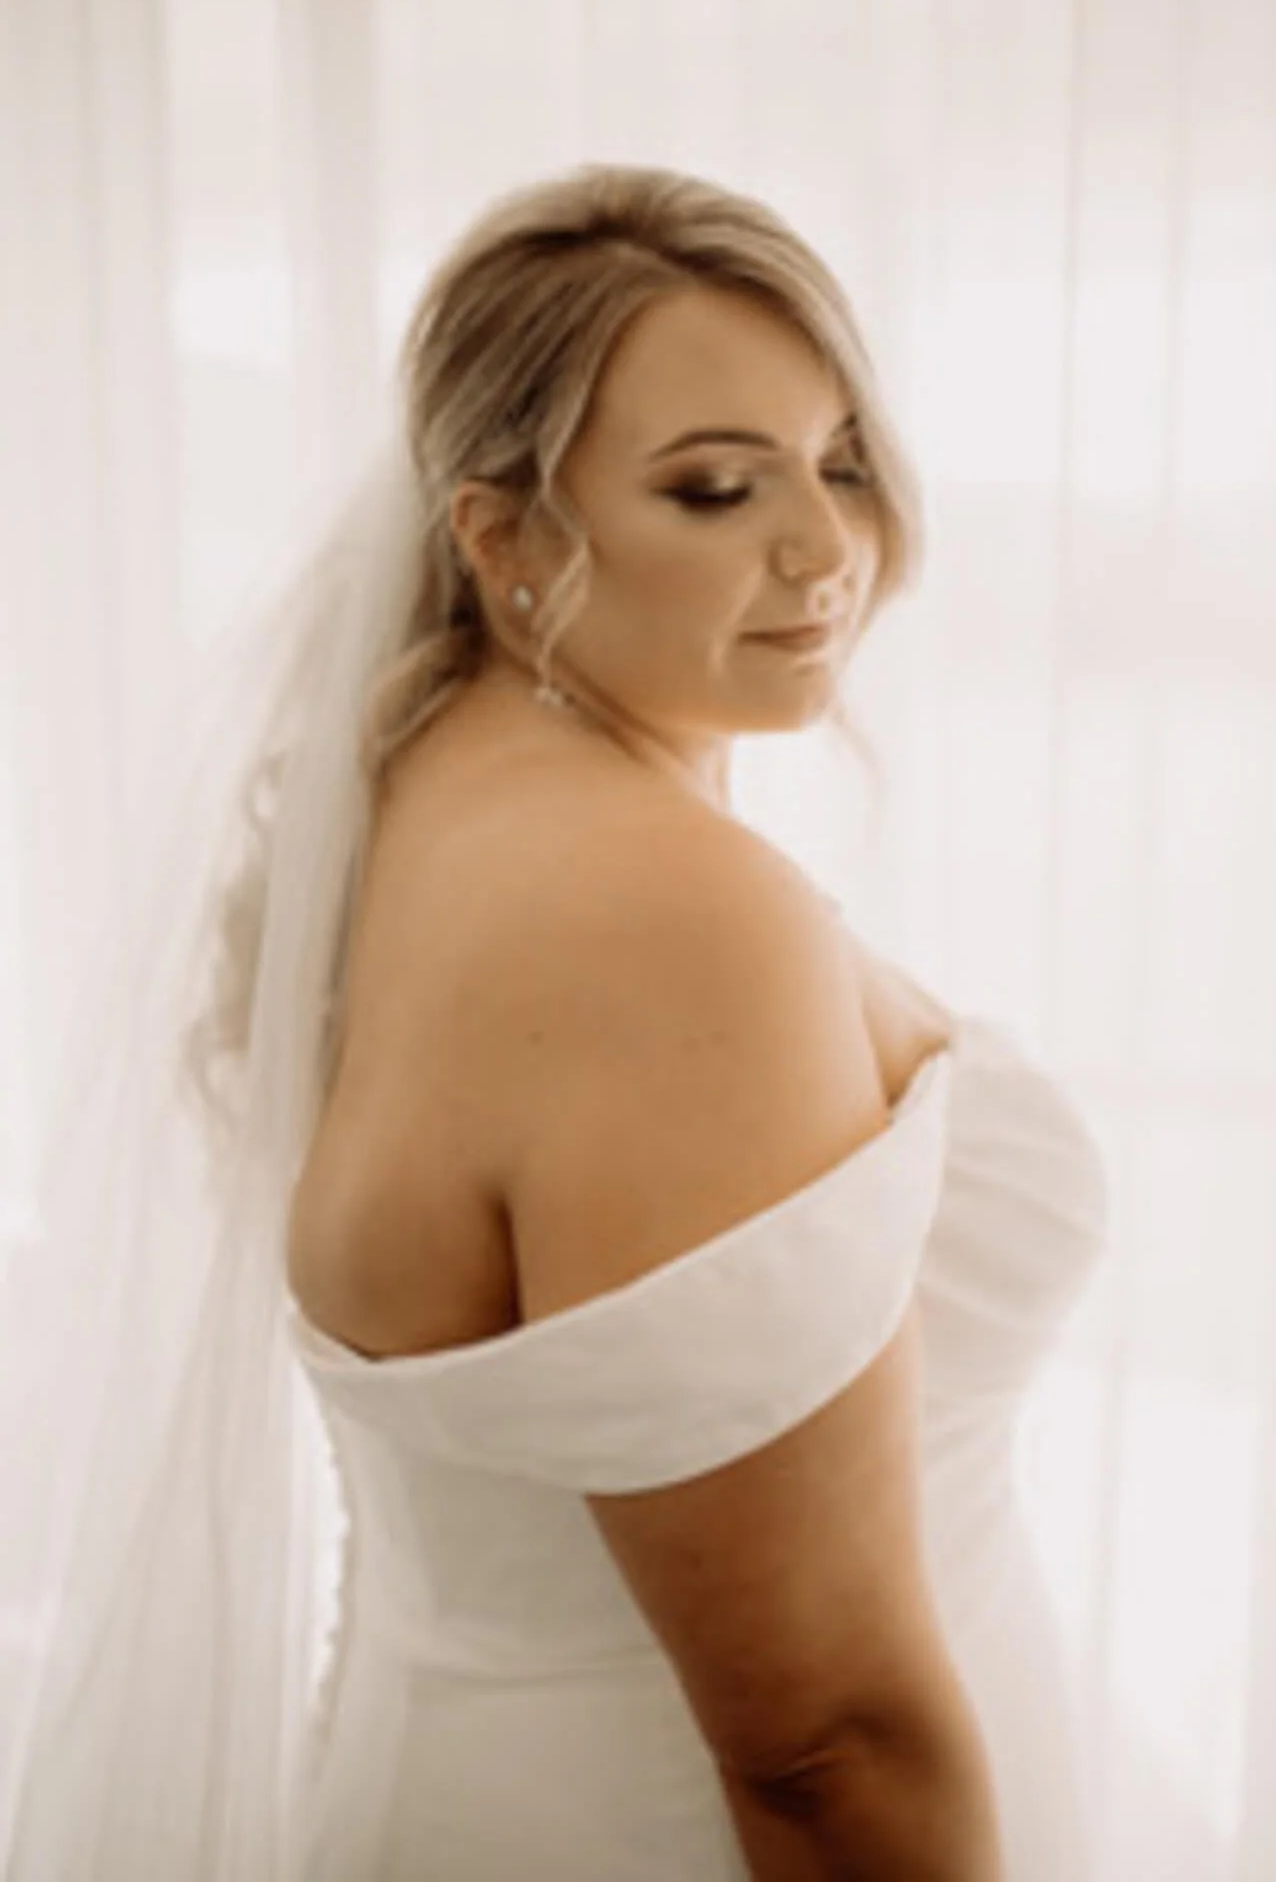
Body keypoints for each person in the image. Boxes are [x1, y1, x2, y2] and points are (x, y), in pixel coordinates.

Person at [0, 162, 1108, 1880]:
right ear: (502, 538)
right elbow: (823, 1744)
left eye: (837, 463)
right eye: (716, 489)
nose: (822, 549)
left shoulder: (423, 782)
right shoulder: (656, 916)